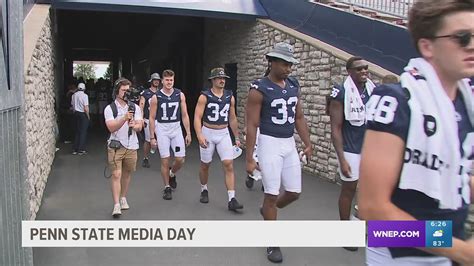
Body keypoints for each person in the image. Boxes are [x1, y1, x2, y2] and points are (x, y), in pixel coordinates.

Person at [358, 0, 474, 265]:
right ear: (427, 46)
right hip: (401, 255)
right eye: (462, 37)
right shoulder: (396, 101)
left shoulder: (466, 104)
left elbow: (454, 174)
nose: (472, 44)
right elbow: (373, 210)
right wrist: (458, 249)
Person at [246, 42, 312, 263]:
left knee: (294, 192)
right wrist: (249, 158)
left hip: (288, 143)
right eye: (284, 63)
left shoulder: (293, 84)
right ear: (272, 62)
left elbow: (299, 116)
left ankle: (268, 211)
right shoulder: (259, 88)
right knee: (271, 194)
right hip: (269, 143)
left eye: (291, 64)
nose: (288, 68)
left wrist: (307, 142)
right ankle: (272, 241)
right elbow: (252, 124)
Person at [328, 56, 376, 252]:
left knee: (370, 192)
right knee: (349, 189)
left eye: (366, 68)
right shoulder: (341, 92)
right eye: (359, 69)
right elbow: (336, 128)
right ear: (349, 72)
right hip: (350, 149)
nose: (364, 71)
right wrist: (341, 158)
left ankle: (362, 225)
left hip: (371, 149)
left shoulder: (374, 90)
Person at [194, 67, 243, 211]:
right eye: (219, 78)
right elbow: (197, 116)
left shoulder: (229, 96)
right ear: (213, 80)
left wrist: (237, 136)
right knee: (205, 165)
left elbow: (232, 118)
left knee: (228, 164)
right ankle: (204, 189)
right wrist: (199, 135)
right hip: (208, 131)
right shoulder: (205, 96)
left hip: (223, 132)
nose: (222, 81)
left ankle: (232, 198)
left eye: (224, 78)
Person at [149, 70, 191, 200]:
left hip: (176, 128)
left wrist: (188, 132)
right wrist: (152, 137)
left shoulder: (179, 94)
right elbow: (151, 117)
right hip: (162, 129)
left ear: (174, 80)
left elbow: (184, 114)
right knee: (165, 160)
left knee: (180, 159)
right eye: (167, 80)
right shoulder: (157, 97)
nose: (169, 82)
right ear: (162, 81)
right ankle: (167, 187)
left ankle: (172, 173)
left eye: (171, 80)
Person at [104, 78, 143, 217]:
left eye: (128, 90)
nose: (126, 93)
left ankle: (123, 197)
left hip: (131, 145)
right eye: (124, 90)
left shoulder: (135, 107)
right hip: (115, 145)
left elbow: (140, 125)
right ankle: (116, 205)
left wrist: (135, 126)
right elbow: (111, 127)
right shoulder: (110, 108)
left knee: (127, 174)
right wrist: (124, 118)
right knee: (116, 174)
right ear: (117, 91)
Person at [139, 72, 161, 168]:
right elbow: (141, 105)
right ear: (151, 81)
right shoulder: (145, 93)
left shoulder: (162, 92)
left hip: (160, 119)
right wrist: (140, 118)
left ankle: (164, 158)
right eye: (154, 80)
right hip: (148, 119)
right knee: (148, 140)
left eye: (158, 80)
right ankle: (145, 158)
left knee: (162, 138)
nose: (156, 81)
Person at [71, 82, 90, 155]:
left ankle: (75, 149)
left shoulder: (73, 95)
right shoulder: (85, 96)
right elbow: (86, 107)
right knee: (83, 132)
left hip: (75, 114)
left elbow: (72, 105)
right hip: (83, 114)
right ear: (84, 88)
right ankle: (81, 149)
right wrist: (88, 116)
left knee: (77, 131)